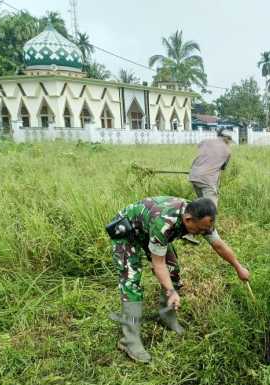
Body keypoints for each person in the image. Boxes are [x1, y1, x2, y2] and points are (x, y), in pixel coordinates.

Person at [106, 196, 250, 363]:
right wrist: (171, 291)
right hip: (127, 230)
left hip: (148, 229)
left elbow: (218, 244)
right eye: (200, 230)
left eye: (206, 230)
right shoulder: (164, 224)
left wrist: (238, 267)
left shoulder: (202, 217)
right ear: (188, 220)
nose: (203, 233)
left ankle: (166, 315)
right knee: (131, 282)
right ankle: (129, 342)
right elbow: (158, 264)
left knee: (173, 270)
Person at [182, 129, 233, 244]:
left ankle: (192, 231)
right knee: (211, 210)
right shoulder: (227, 151)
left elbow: (200, 151)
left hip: (194, 175)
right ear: (227, 139)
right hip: (207, 180)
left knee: (200, 206)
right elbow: (222, 167)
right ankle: (210, 236)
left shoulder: (205, 141)